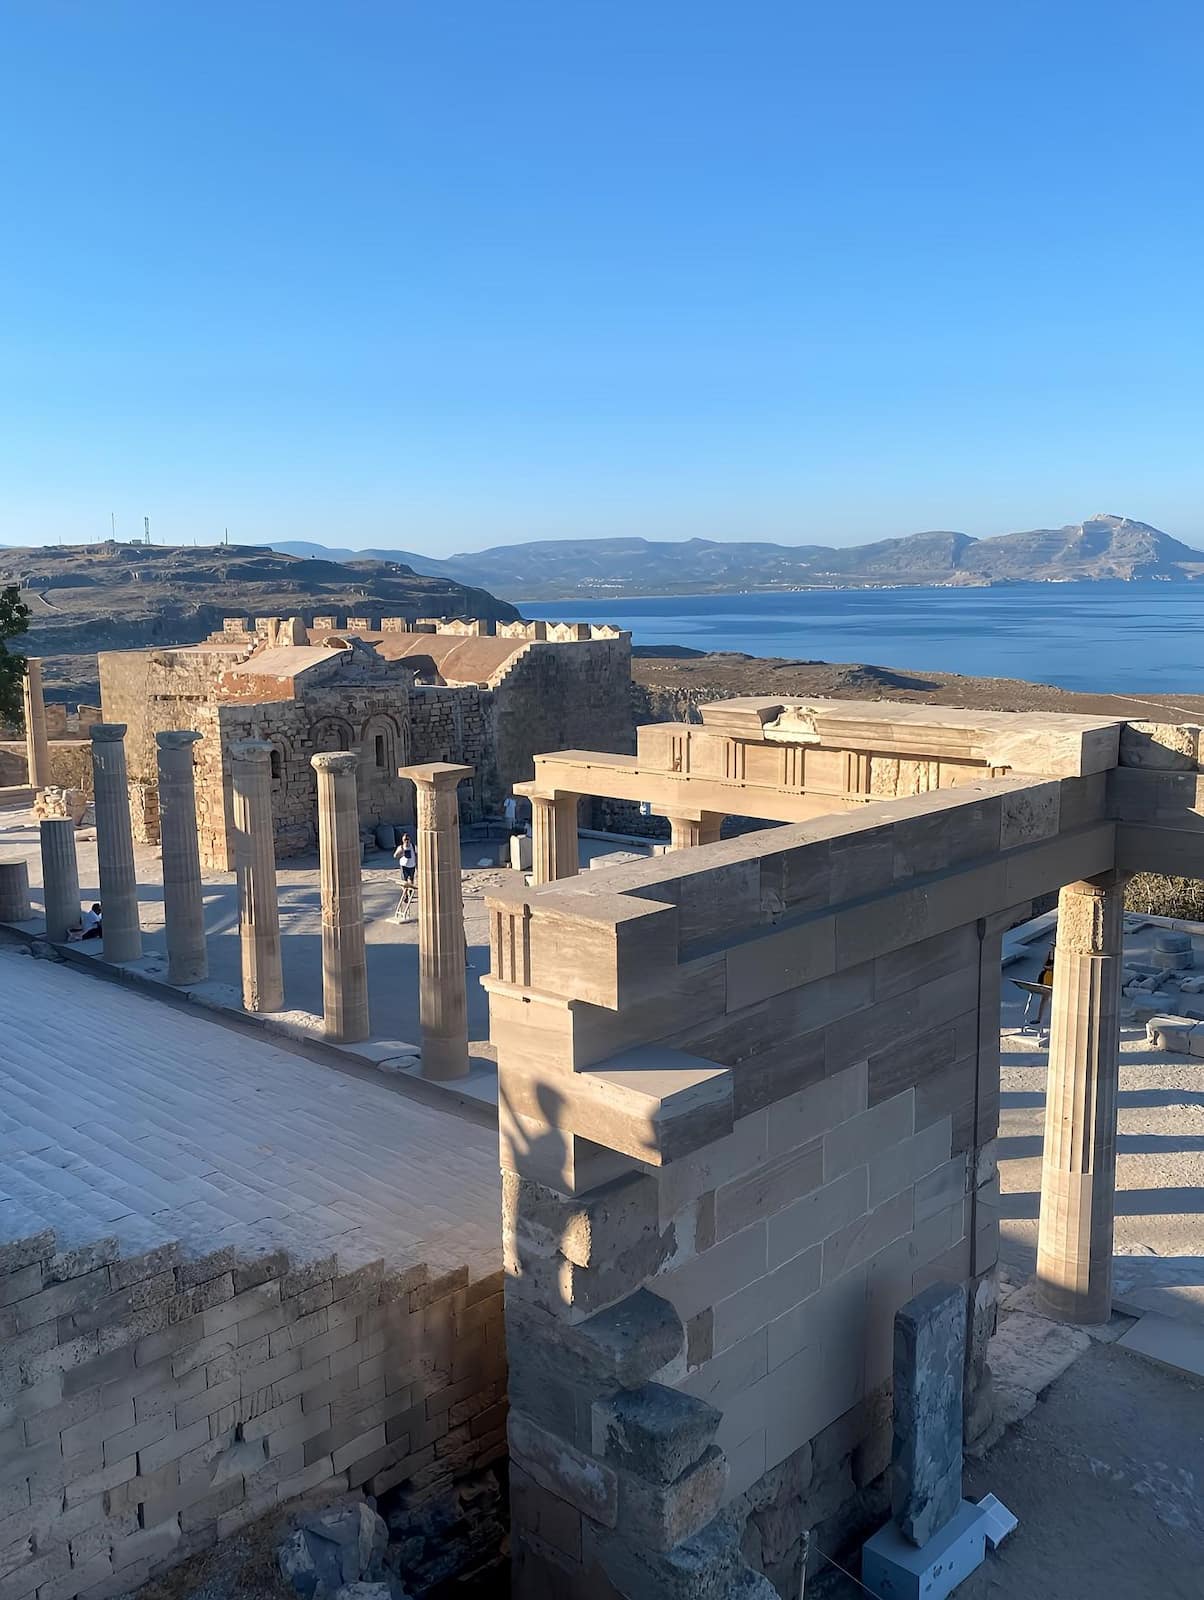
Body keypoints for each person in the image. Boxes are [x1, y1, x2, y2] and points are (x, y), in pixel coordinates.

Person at [1024, 943, 1055, 1027]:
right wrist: (1050, 967)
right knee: (1044, 999)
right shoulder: (1049, 954)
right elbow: (1044, 965)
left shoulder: (1059, 955)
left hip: (1053, 977)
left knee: (1053, 1000)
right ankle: (1039, 1018)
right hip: (1046, 977)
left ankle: (1052, 1018)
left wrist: (1050, 967)